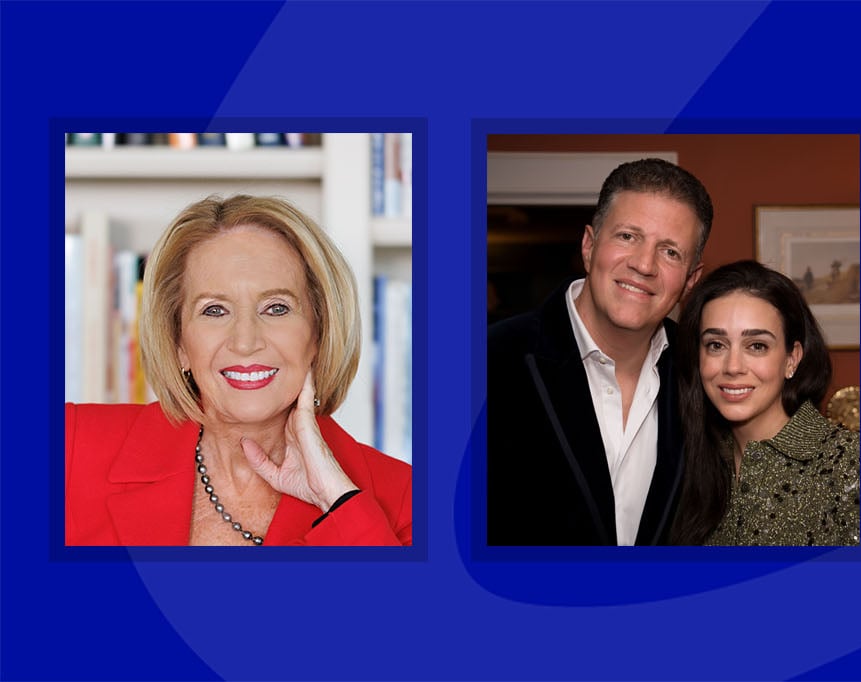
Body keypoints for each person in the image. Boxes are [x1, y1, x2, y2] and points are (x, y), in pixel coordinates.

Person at [65, 195, 412, 546]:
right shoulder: (69, 450)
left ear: (319, 334)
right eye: (214, 310)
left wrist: (335, 500)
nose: (245, 342)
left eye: (276, 308)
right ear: (179, 343)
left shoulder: (407, 503)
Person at [487, 159, 712, 545]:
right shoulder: (490, 360)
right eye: (627, 236)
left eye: (670, 252)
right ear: (589, 246)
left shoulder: (705, 371)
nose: (644, 264)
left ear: (691, 279)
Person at [669, 260, 860, 546]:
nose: (733, 367)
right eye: (716, 345)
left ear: (792, 358)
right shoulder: (684, 459)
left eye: (756, 346)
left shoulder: (852, 463)